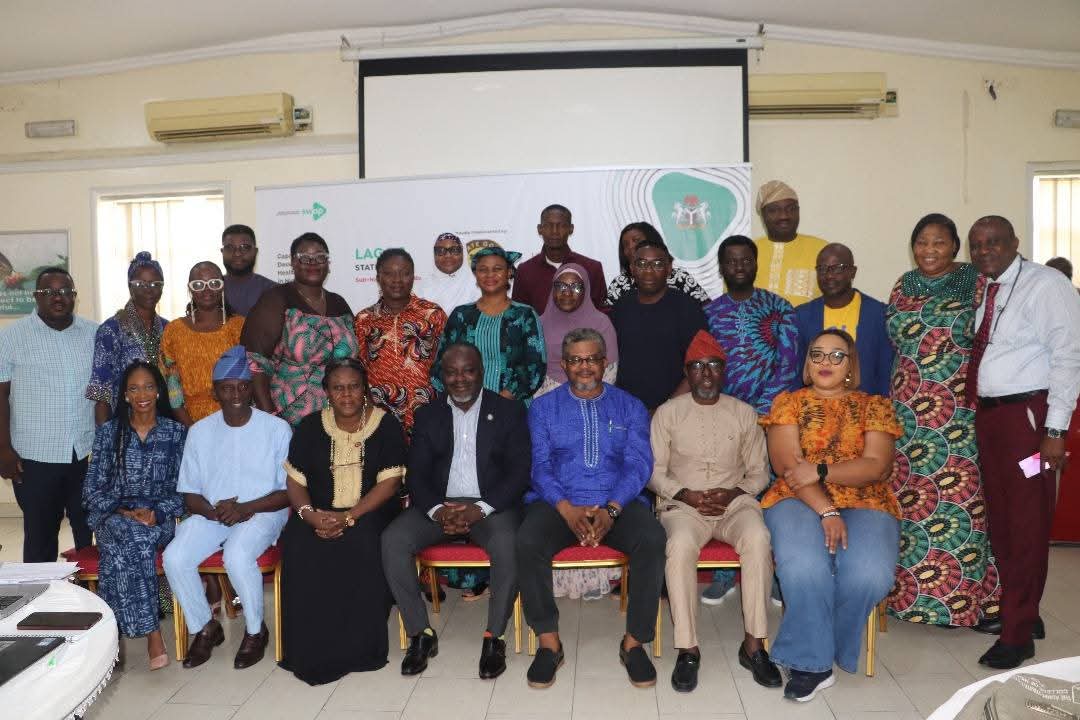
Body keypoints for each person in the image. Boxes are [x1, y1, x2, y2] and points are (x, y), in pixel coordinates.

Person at [518, 328, 666, 689]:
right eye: (576, 360)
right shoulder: (542, 408)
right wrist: (567, 510)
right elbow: (540, 467)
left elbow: (638, 464)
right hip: (558, 501)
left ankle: (634, 643)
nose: (585, 367)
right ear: (564, 365)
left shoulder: (629, 406)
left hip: (617, 500)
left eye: (592, 359)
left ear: (605, 364)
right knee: (527, 541)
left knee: (652, 538)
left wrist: (612, 509)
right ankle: (549, 643)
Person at [761, 329, 901, 701]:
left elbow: (876, 466)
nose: (825, 363)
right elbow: (788, 466)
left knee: (870, 574)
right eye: (817, 355)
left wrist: (821, 470)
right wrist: (826, 509)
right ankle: (812, 661)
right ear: (807, 363)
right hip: (797, 498)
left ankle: (823, 641)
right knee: (805, 566)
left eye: (837, 356)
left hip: (867, 500)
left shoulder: (875, 406)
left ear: (851, 365)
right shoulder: (788, 403)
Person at [967, 216, 1080, 669]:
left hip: (1029, 422)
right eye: (976, 244)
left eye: (993, 242)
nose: (984, 250)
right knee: (1002, 522)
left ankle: (1017, 637)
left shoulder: (1046, 285)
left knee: (1027, 524)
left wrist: (1055, 432)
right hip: (993, 419)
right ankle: (1024, 612)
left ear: (1015, 243)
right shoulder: (986, 287)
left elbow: (1069, 356)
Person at [383, 343, 531, 680]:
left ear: (481, 372)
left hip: (491, 507)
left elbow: (519, 472)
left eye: (468, 370)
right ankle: (421, 634)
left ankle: (495, 637)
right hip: (440, 505)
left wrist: (480, 509)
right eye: (451, 372)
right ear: (441, 375)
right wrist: (437, 510)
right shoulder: (428, 414)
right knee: (393, 540)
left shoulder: (508, 412)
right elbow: (416, 473)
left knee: (508, 545)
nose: (460, 378)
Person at [886, 213, 1001, 630]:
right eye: (921, 242)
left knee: (961, 505)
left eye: (939, 242)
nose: (929, 250)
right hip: (908, 409)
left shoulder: (976, 282)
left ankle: (970, 605)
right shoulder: (903, 284)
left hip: (957, 411)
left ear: (955, 246)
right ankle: (910, 601)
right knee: (912, 502)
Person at [650, 331, 780, 693]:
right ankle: (688, 649)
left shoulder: (743, 413)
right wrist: (685, 494)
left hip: (734, 503)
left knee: (758, 537)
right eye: (697, 367)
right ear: (687, 373)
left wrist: (733, 492)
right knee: (678, 547)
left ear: (725, 372)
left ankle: (754, 645)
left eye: (713, 366)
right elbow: (654, 470)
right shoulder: (667, 413)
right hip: (683, 506)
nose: (706, 374)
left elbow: (759, 472)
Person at [162, 346, 292, 670]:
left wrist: (245, 508)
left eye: (242, 386)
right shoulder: (200, 431)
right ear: (215, 391)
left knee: (237, 554)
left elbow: (288, 492)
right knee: (174, 557)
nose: (235, 394)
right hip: (212, 513)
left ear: (251, 388)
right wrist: (215, 512)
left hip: (264, 511)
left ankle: (254, 631)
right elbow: (189, 495)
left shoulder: (277, 429)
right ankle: (205, 627)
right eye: (227, 388)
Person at [279, 358, 406, 685]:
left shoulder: (386, 425)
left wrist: (349, 517)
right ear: (326, 392)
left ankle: (360, 649)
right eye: (338, 388)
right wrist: (309, 515)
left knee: (363, 543)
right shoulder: (309, 426)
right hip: (317, 511)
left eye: (353, 387)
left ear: (364, 389)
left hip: (371, 511)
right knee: (298, 543)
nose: (346, 395)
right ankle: (308, 647)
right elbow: (296, 480)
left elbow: (390, 483)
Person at [700, 235, 799, 603]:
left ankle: (772, 573)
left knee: (770, 494)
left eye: (745, 260)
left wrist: (761, 412)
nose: (739, 266)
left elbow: (788, 365)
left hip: (770, 419)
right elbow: (706, 369)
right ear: (722, 268)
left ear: (755, 264)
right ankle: (726, 573)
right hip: (723, 418)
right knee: (729, 490)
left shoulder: (781, 309)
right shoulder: (709, 313)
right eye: (731, 261)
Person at [82, 361, 185, 670]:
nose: (142, 394)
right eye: (134, 388)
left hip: (158, 519)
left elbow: (187, 490)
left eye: (149, 386)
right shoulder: (109, 433)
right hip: (114, 515)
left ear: (159, 391)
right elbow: (91, 490)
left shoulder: (176, 433)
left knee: (124, 548)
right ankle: (153, 632)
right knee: (134, 540)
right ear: (124, 395)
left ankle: (110, 640)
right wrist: (123, 511)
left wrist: (158, 512)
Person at [0, 267, 96, 562]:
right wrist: (3, 449)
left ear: (75, 297)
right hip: (34, 458)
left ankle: (85, 599)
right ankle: (40, 604)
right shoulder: (12, 337)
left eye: (65, 291)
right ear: (36, 296)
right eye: (50, 292)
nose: (59, 297)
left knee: (86, 538)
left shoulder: (93, 333)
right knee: (40, 540)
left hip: (84, 454)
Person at [241, 232, 358, 425]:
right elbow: (255, 363)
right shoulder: (275, 299)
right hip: (288, 418)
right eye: (304, 258)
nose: (313, 263)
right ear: (293, 263)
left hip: (340, 417)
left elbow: (354, 364)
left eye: (320, 257)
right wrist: (271, 420)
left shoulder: (339, 302)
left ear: (328, 264)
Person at [433, 242, 545, 403]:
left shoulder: (524, 315)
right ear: (476, 275)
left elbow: (534, 367)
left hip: (511, 408)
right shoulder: (461, 315)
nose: (489, 274)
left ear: (509, 273)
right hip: (464, 407)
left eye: (497, 269)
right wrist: (463, 400)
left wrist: (500, 401)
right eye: (483, 270)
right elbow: (441, 365)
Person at [354, 248, 447, 433]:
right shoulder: (364, 319)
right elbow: (359, 368)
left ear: (413, 276)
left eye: (404, 273)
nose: (397, 280)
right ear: (378, 277)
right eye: (389, 274)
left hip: (427, 413)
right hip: (379, 416)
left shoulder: (433, 314)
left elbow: (446, 364)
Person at [611, 239, 708, 412]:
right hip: (627, 410)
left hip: (677, 410)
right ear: (632, 268)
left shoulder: (687, 308)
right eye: (641, 263)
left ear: (669, 268)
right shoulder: (621, 307)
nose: (648, 271)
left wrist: (665, 409)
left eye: (657, 264)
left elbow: (700, 364)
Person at [794, 243, 893, 397]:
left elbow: (886, 371)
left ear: (852, 272)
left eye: (837, 268)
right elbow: (797, 371)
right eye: (822, 269)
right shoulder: (801, 315)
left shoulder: (879, 314)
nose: (828, 275)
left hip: (864, 411)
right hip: (815, 412)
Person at [87, 252, 169, 424]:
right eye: (141, 283)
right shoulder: (111, 330)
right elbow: (101, 393)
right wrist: (105, 442)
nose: (149, 289)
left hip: (164, 424)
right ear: (130, 287)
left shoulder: (169, 329)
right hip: (124, 425)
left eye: (155, 283)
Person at [160, 261, 245, 426]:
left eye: (214, 283)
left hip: (235, 417)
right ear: (190, 288)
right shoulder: (174, 331)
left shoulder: (239, 326)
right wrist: (191, 428)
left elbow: (249, 380)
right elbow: (172, 389)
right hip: (188, 420)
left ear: (222, 286)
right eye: (198, 284)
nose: (207, 290)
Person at [537, 262, 618, 396]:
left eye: (575, 287)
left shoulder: (601, 324)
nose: (567, 293)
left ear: (585, 290)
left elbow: (609, 371)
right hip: (547, 398)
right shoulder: (539, 324)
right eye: (561, 286)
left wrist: (586, 397)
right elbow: (533, 371)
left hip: (594, 397)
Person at [511, 204, 607, 313]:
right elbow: (519, 316)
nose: (555, 231)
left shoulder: (592, 268)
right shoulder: (525, 271)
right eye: (548, 225)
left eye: (561, 226)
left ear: (571, 229)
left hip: (583, 330)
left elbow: (601, 312)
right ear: (539, 229)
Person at [753, 180, 828, 306]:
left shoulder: (822, 250)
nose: (784, 216)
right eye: (774, 210)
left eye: (791, 209)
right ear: (763, 215)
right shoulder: (748, 252)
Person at [605, 221, 710, 306]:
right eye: (625, 245)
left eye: (636, 240)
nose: (631, 247)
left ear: (652, 241)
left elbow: (707, 310)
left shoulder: (680, 278)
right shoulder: (619, 284)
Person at [221, 224, 277, 316]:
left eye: (244, 247)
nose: (237, 253)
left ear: (255, 251)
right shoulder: (210, 290)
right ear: (222, 252)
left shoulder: (273, 291)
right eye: (230, 248)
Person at [424, 232, 480, 314]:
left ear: (463, 253)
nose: (448, 256)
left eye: (454, 250)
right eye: (440, 251)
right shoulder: (421, 288)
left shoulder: (478, 285)